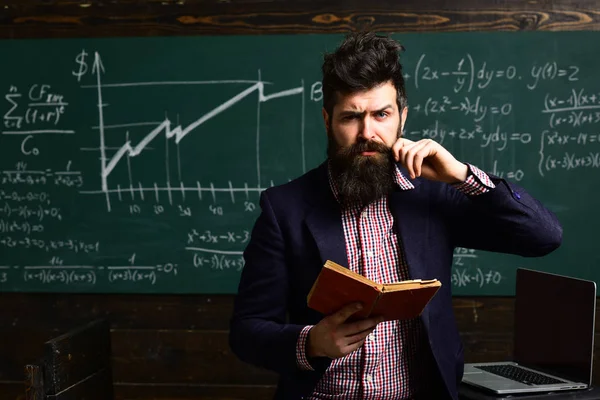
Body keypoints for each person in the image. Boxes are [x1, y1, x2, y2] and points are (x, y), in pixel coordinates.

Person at [229, 31, 562, 400]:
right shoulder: (284, 208)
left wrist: (463, 176)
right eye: (351, 117)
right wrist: (312, 342)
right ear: (328, 120)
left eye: (381, 115)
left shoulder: (435, 197)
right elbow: (246, 332)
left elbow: (543, 236)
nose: (367, 133)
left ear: (402, 117)